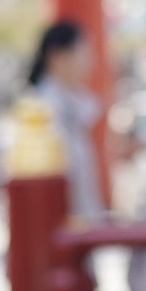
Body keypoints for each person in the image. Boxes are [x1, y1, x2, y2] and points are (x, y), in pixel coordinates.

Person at [27, 21, 105, 222]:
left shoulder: (75, 108)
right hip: (56, 229)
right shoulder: (38, 113)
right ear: (58, 57)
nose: (91, 62)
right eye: (84, 53)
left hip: (79, 228)